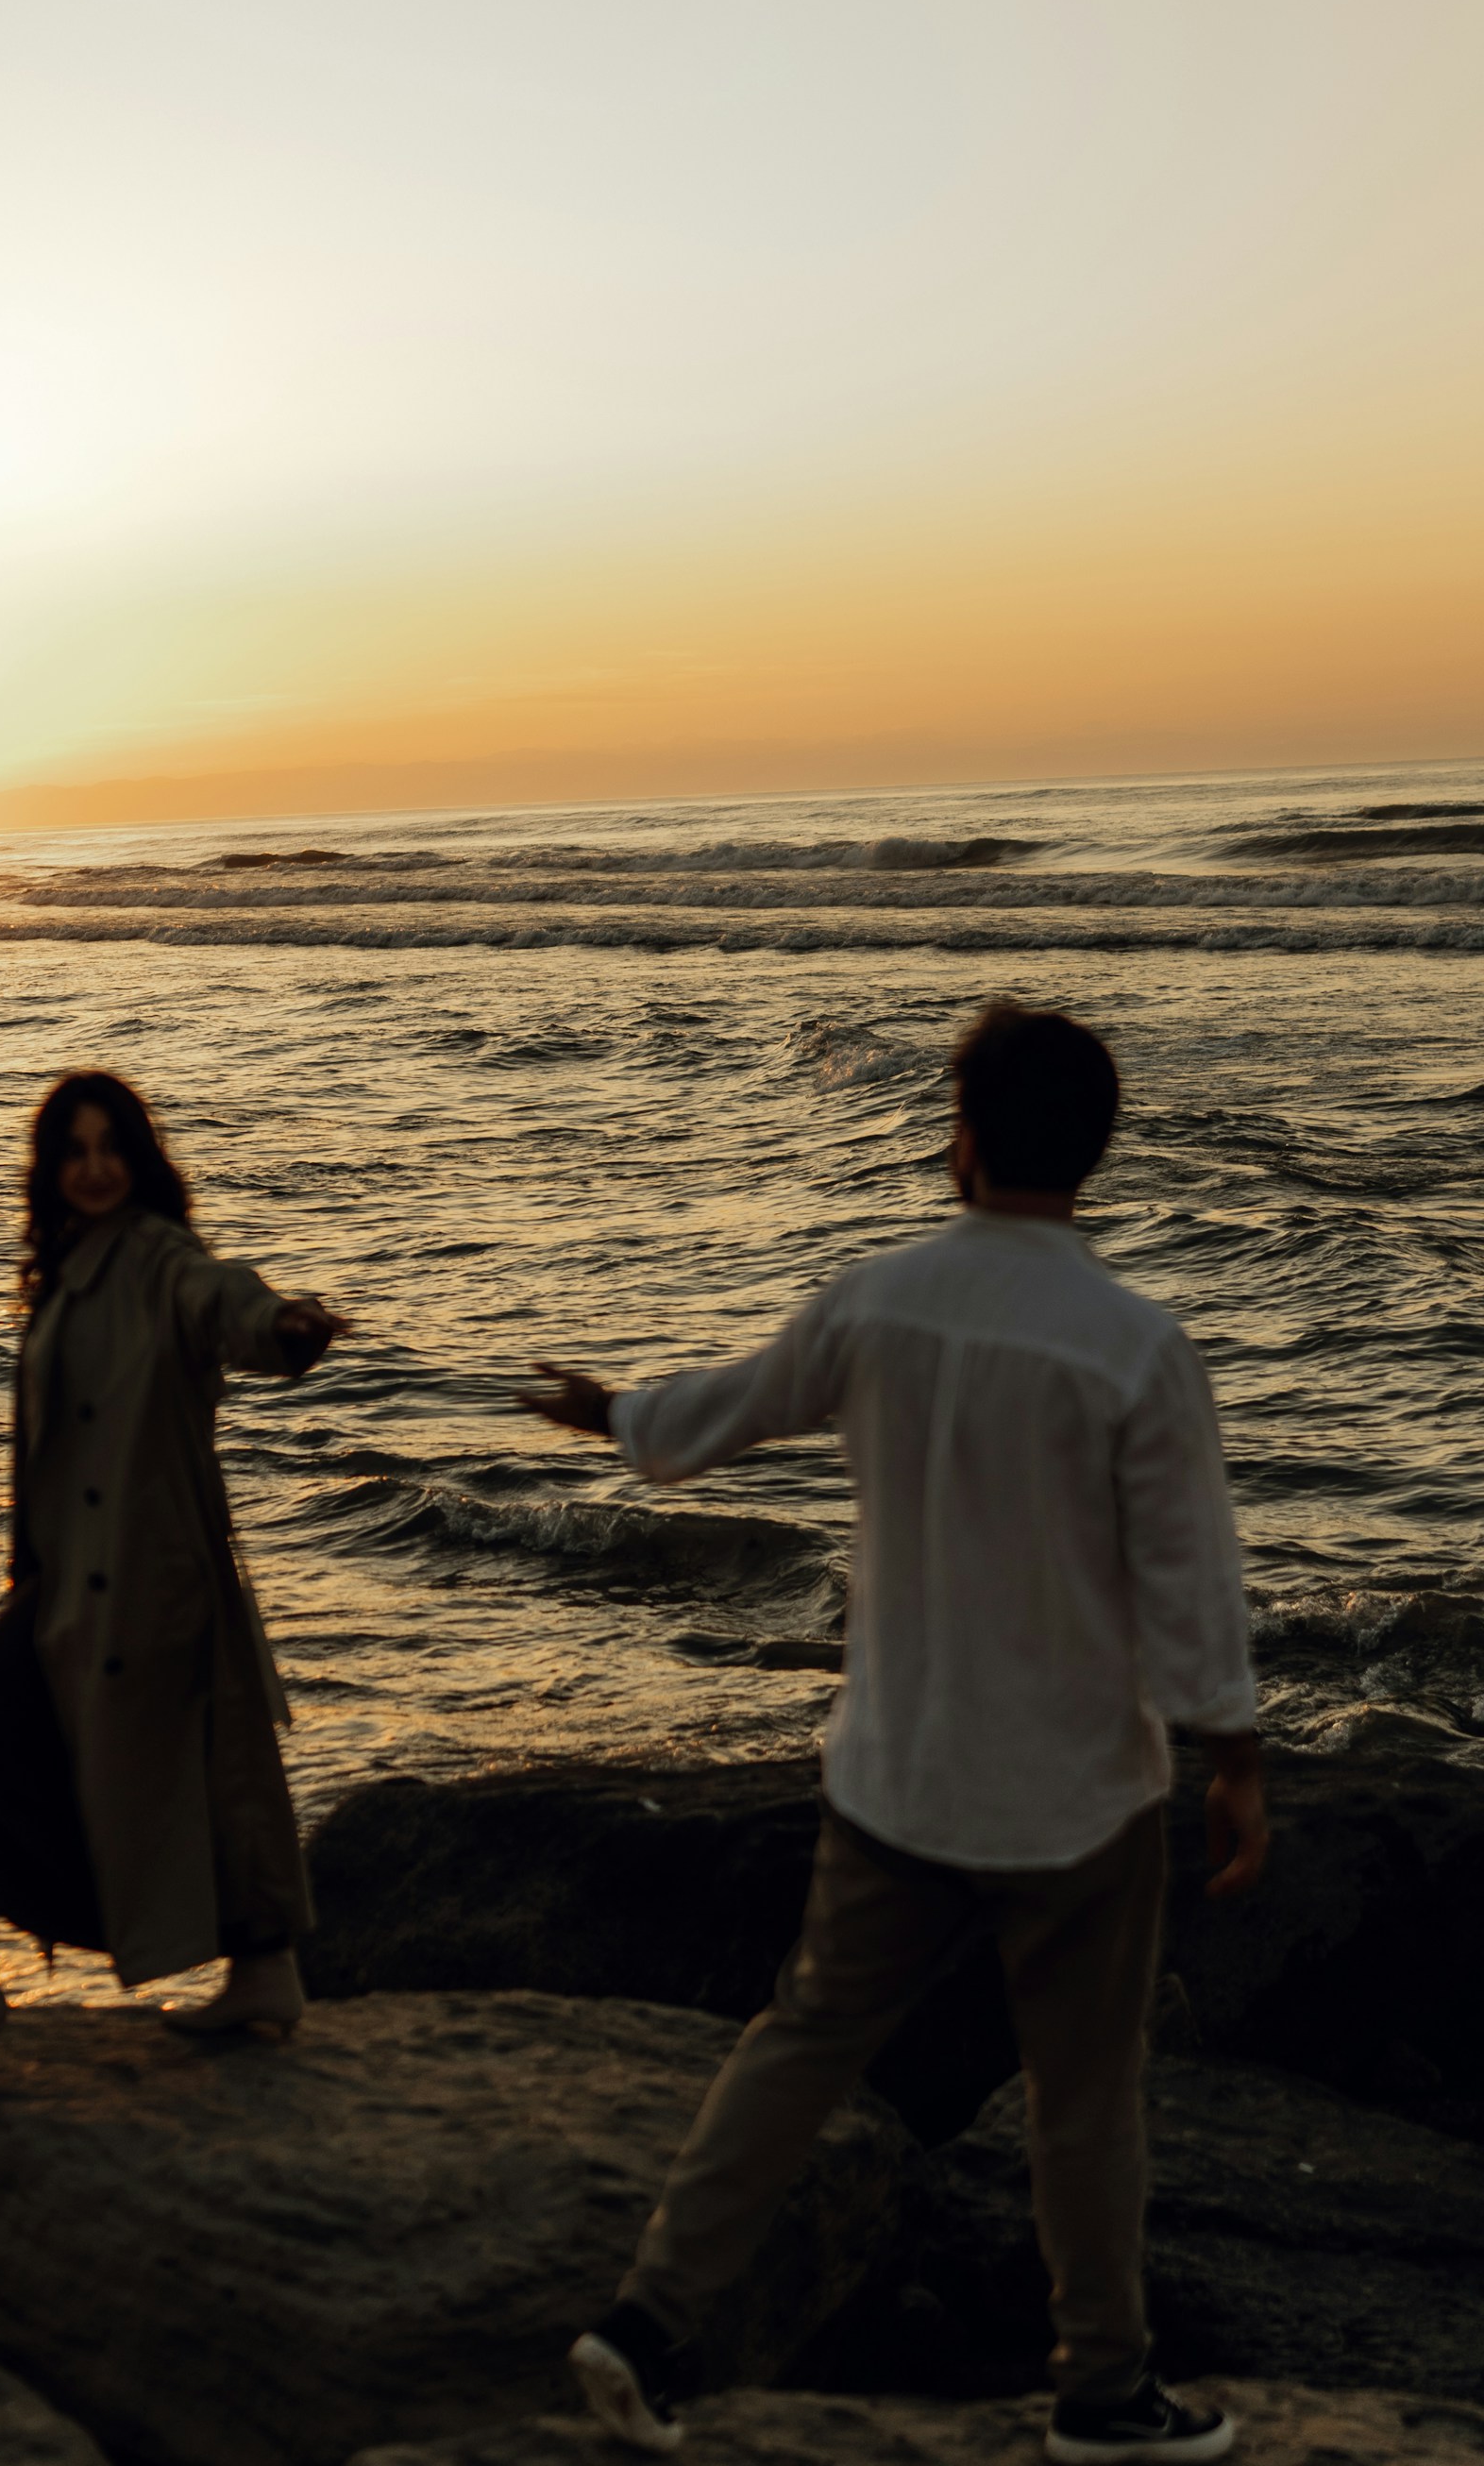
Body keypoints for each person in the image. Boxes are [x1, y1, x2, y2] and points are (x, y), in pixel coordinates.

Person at [520, 1004, 1266, 2465]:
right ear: (1095, 1155)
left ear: (967, 1139)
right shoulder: (1133, 1344)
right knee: (1084, 2098)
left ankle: (645, 2324)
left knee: (799, 2048)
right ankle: (1105, 2393)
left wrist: (618, 1415)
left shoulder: (880, 1301)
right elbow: (1191, 1575)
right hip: (1080, 1797)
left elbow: (734, 1409)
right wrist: (1236, 1757)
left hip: (897, 1779)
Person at [0, 1070, 347, 2062]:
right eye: (73, 1151)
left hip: (143, 1575)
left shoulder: (158, 1255)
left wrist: (284, 1328)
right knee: (192, 1766)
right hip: (74, 1579)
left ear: (140, 1158)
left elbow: (224, 1301)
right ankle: (263, 1973)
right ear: (51, 1168)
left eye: (109, 1148)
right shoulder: (76, 1263)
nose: (93, 1168)